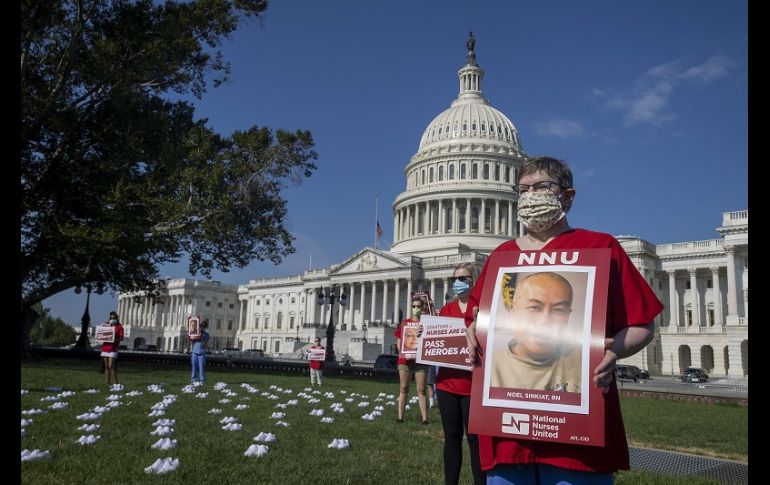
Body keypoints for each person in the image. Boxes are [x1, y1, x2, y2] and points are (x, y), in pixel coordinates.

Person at [465, 156, 663, 484]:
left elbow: (644, 324)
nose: (531, 195)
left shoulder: (600, 247)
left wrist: (613, 353)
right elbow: (475, 319)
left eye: (542, 187)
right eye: (524, 189)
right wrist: (473, 331)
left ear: (567, 197)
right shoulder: (501, 258)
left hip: (577, 441)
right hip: (507, 437)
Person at [490, 271, 581, 392]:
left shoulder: (587, 362)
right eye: (534, 307)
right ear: (513, 311)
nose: (545, 321)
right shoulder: (489, 366)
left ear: (568, 316)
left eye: (558, 310)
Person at [436, 262, 485, 485]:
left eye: (464, 278)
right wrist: (424, 333)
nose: (459, 282)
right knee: (452, 438)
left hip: (473, 383)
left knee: (475, 440)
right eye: (456, 278)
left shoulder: (482, 311)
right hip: (447, 383)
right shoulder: (445, 310)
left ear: (474, 281)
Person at [394, 296, 429, 424]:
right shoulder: (404, 324)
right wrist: (405, 351)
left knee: (421, 390)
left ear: (423, 308)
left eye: (419, 306)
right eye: (414, 306)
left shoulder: (426, 324)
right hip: (405, 360)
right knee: (403, 388)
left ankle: (425, 419)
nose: (416, 309)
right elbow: (398, 343)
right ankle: (400, 417)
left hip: (420, 360)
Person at [100, 311, 124, 386]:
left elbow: (121, 338)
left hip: (113, 348)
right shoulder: (107, 325)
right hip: (105, 347)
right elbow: (101, 332)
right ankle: (108, 381)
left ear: (117, 318)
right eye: (111, 318)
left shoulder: (119, 327)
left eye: (114, 318)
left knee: (111, 366)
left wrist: (114, 339)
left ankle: (116, 382)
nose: (112, 319)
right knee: (107, 366)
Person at [190, 319, 210, 384]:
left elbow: (204, 344)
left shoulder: (206, 334)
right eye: (201, 326)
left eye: (203, 326)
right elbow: (192, 343)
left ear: (205, 328)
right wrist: (193, 337)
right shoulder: (195, 333)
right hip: (194, 352)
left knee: (201, 366)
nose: (202, 327)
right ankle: (193, 379)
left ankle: (202, 380)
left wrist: (200, 336)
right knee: (194, 366)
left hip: (201, 352)